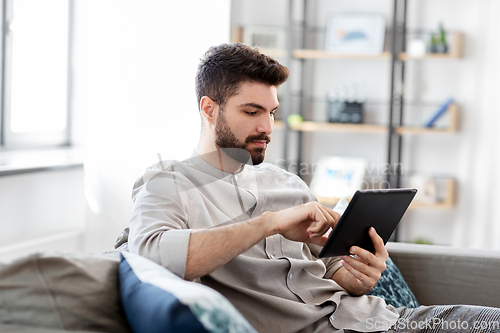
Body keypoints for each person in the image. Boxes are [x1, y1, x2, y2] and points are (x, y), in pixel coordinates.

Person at [120, 43, 500, 333]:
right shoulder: (168, 183)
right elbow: (151, 255)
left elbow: (333, 268)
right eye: (251, 112)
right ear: (209, 109)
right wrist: (269, 223)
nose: (267, 127)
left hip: (389, 321)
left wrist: (355, 277)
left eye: (271, 113)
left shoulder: (287, 183)